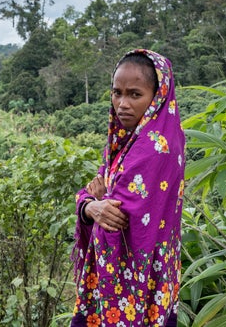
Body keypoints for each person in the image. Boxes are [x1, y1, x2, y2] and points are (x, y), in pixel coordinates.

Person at [70, 49, 185, 327]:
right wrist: (91, 204)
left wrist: (93, 203)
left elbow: (114, 218)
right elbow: (95, 196)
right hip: (143, 284)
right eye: (117, 92)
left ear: (157, 97)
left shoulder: (154, 147)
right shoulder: (126, 143)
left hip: (131, 287)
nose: (122, 104)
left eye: (135, 94)